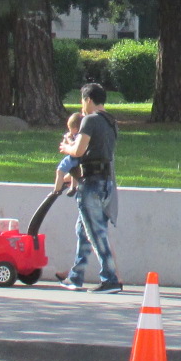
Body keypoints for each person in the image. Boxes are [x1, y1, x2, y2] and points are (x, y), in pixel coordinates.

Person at [58, 82, 122, 292]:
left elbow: (78, 151)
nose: (82, 105)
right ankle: (76, 276)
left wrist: (66, 146)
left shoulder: (90, 120)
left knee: (96, 233)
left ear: (88, 100)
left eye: (82, 100)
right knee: (83, 230)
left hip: (92, 182)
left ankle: (110, 279)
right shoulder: (111, 121)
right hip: (106, 182)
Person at [53, 120, 83, 197]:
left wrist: (69, 138)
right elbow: (64, 145)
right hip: (78, 159)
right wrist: (65, 139)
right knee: (73, 172)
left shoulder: (78, 136)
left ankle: (56, 190)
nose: (69, 130)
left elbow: (73, 145)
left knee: (60, 171)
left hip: (74, 158)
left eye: (70, 128)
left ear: (75, 129)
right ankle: (73, 187)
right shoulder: (81, 135)